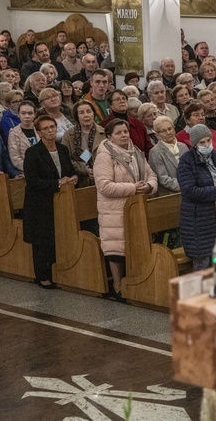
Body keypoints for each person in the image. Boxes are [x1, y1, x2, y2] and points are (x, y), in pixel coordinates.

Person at [94, 118, 158, 300]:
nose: (124, 135)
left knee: (134, 246)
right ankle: (117, 285)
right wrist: (132, 188)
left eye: (125, 132)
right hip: (114, 209)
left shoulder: (135, 151)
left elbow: (151, 174)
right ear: (109, 136)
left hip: (135, 207)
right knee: (117, 250)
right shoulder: (104, 155)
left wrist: (149, 186)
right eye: (118, 133)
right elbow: (104, 186)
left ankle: (135, 282)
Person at [23, 115, 78, 289]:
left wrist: (74, 177)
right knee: (42, 241)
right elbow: (32, 180)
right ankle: (42, 276)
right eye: (46, 128)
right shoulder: (32, 152)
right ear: (39, 133)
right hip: (39, 203)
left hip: (60, 202)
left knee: (57, 237)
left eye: (52, 127)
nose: (50, 131)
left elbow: (69, 170)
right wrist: (57, 183)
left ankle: (58, 272)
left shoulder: (62, 149)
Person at [177, 124, 216, 270]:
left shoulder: (215, 156)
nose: (207, 145)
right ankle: (200, 293)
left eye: (208, 141)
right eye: (202, 142)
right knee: (203, 264)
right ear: (194, 144)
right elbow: (189, 190)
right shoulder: (186, 161)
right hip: (198, 222)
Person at [61, 100, 105, 188]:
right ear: (77, 116)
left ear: (93, 114)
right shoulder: (68, 135)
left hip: (103, 178)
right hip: (79, 181)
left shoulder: (104, 133)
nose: (86, 115)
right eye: (81, 112)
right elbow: (65, 158)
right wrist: (84, 169)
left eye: (89, 111)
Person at [101, 90, 153, 158]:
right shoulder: (104, 125)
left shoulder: (138, 124)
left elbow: (148, 147)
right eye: (117, 99)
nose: (122, 101)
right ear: (111, 105)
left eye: (124, 98)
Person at [148, 116, 188, 196]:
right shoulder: (155, 152)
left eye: (170, 129)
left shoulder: (183, 146)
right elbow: (163, 178)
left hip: (189, 191)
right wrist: (185, 186)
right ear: (157, 135)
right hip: (169, 195)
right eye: (163, 131)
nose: (168, 132)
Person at [8, 100, 38, 173]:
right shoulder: (14, 133)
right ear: (18, 114)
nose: (27, 116)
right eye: (23, 113)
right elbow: (15, 158)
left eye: (30, 113)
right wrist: (32, 169)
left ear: (35, 114)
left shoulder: (40, 128)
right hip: (26, 172)